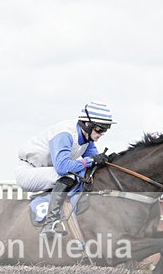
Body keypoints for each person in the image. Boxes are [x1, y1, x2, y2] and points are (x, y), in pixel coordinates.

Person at [15, 101, 115, 237]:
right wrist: (91, 160)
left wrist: (108, 160)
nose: (101, 133)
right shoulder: (65, 133)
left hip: (48, 171)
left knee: (85, 173)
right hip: (28, 172)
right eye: (99, 129)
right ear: (87, 124)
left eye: (105, 130)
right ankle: (50, 224)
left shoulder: (87, 139)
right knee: (70, 175)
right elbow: (62, 168)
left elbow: (94, 162)